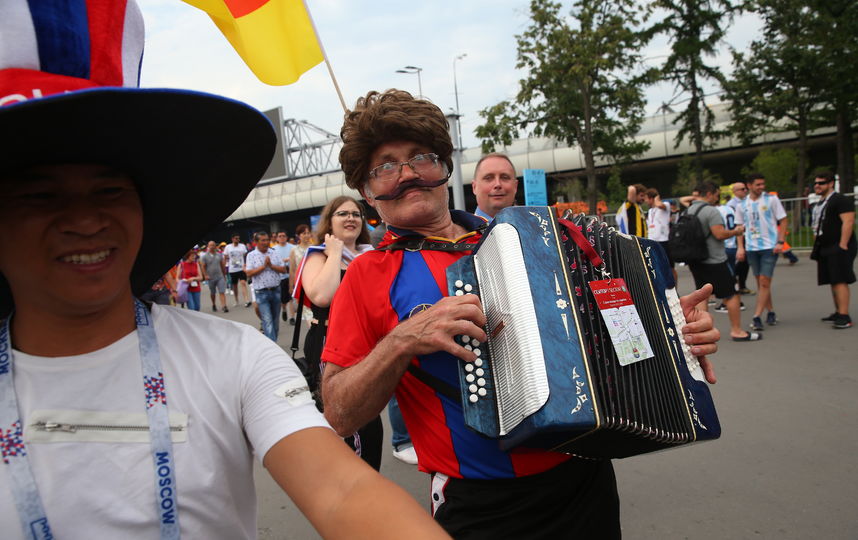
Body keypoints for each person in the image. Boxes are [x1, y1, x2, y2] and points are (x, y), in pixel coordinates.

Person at [0, 5, 450, 538]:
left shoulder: (235, 358)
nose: (85, 220)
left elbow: (342, 490)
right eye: (40, 195)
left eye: (109, 190)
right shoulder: (351, 268)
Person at [320, 89, 720, 538]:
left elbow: (608, 324)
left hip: (584, 478)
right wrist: (402, 339)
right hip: (482, 507)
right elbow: (338, 412)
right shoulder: (368, 275)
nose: (409, 175)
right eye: (386, 166)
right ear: (367, 190)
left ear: (445, 169)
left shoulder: (531, 241)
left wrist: (669, 335)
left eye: (421, 158)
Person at [295, 196, 383, 470]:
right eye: (342, 213)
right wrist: (335, 253)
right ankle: (351, 489)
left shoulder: (372, 255)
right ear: (329, 221)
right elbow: (322, 296)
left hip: (366, 345)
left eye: (356, 214)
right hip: (329, 343)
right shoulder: (318, 256)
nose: (350, 218)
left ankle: (364, 487)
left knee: (368, 420)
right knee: (345, 421)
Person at [687, 183, 760, 341]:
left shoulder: (689, 210)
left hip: (695, 259)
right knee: (731, 294)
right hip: (715, 259)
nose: (717, 198)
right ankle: (737, 331)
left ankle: (702, 331)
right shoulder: (711, 211)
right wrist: (736, 231)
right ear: (709, 194)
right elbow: (719, 234)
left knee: (702, 295)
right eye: (716, 195)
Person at [735, 174, 788, 331]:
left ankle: (756, 316)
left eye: (762, 184)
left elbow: (783, 220)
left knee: (764, 282)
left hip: (769, 247)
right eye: (758, 184)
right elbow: (739, 227)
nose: (761, 187)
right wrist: (740, 247)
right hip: (752, 248)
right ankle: (770, 311)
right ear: (749, 185)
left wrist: (780, 241)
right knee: (761, 283)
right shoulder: (742, 204)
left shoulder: (771, 199)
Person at [811, 172, 856, 329]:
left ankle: (844, 315)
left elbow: (848, 221)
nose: (817, 186)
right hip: (825, 245)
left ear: (831, 184)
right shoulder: (822, 202)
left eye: (821, 183)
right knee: (832, 280)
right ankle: (838, 311)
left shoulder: (840, 200)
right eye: (816, 183)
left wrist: (843, 244)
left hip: (838, 245)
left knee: (840, 279)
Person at [245, 232, 286, 342]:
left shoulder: (274, 253)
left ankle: (273, 343)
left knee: (275, 320)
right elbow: (249, 273)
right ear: (256, 242)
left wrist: (271, 266)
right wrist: (264, 266)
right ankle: (272, 347)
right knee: (267, 320)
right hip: (261, 292)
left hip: (276, 290)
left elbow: (283, 269)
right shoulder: (251, 255)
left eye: (267, 240)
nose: (266, 242)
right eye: (263, 240)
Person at [643, 188, 677, 283]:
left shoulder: (665, 205)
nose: (645, 201)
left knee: (669, 266)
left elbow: (659, 204)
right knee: (657, 266)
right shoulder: (650, 211)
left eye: (646, 198)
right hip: (653, 241)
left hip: (664, 241)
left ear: (651, 198)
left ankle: (675, 287)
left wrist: (657, 198)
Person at [471, 153, 518, 222]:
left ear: (515, 186)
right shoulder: (461, 231)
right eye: (488, 178)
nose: (497, 184)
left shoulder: (534, 229)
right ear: (474, 187)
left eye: (504, 177)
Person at [726, 182, 754, 295]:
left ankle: (741, 284)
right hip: (737, 236)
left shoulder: (747, 202)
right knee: (738, 261)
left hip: (748, 234)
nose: (745, 191)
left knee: (745, 262)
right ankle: (733, 284)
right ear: (735, 191)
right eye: (742, 189)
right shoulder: (731, 205)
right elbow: (733, 223)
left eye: (745, 189)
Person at [271, 231, 295, 323]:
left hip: (290, 276)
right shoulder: (273, 249)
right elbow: (273, 262)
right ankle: (284, 310)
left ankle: (292, 317)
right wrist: (284, 260)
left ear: (287, 237)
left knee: (291, 298)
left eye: (283, 236)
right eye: (279, 236)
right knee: (283, 300)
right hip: (280, 277)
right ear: (276, 238)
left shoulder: (292, 247)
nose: (282, 238)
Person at [224, 233, 252, 307]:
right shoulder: (228, 247)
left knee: (243, 283)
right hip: (232, 269)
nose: (238, 240)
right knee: (235, 286)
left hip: (241, 268)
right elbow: (225, 256)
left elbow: (245, 256)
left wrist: (245, 264)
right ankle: (236, 300)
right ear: (232, 239)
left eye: (238, 238)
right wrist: (225, 266)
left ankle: (246, 300)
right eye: (236, 238)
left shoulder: (242, 246)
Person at [201, 240, 228, 312]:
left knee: (222, 291)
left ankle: (224, 306)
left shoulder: (219, 255)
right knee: (213, 293)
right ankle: (213, 304)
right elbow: (203, 267)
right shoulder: (205, 256)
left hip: (220, 276)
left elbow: (222, 265)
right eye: (210, 245)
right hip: (211, 277)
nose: (212, 247)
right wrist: (205, 275)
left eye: (213, 245)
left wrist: (224, 275)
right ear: (208, 246)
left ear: (215, 246)